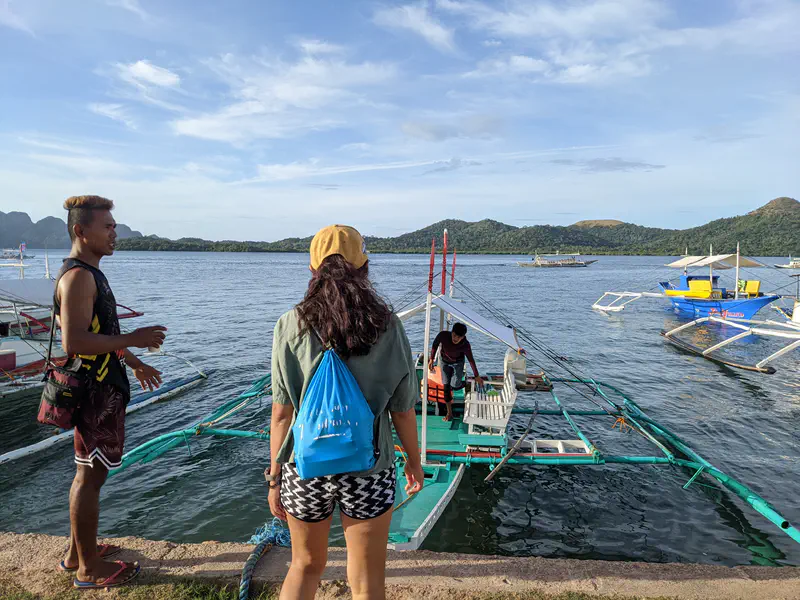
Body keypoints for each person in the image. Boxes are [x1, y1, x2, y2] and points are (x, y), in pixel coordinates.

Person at [268, 225, 424, 600]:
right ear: (364, 268)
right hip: (369, 468)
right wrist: (414, 463)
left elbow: (281, 414)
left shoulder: (291, 324)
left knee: (304, 566)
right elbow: (403, 410)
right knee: (367, 577)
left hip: (305, 468)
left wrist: (275, 476)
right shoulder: (386, 324)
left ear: (312, 270)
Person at [55, 195, 167, 590]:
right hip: (94, 394)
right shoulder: (79, 277)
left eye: (115, 226)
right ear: (80, 231)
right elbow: (75, 341)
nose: (114, 233)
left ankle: (76, 553)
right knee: (90, 476)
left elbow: (99, 334)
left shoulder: (90, 273)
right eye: (107, 227)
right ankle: (89, 570)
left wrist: (134, 363)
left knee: (88, 472)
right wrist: (134, 337)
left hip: (102, 389)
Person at [429, 322, 483, 422]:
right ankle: (449, 413)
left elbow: (471, 359)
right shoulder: (443, 335)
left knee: (455, 385)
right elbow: (435, 344)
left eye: (459, 337)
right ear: (451, 332)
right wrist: (431, 359)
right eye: (454, 335)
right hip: (444, 362)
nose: (455, 338)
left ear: (463, 337)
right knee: (446, 387)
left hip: (458, 363)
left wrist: (477, 376)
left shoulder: (465, 345)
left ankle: (466, 383)